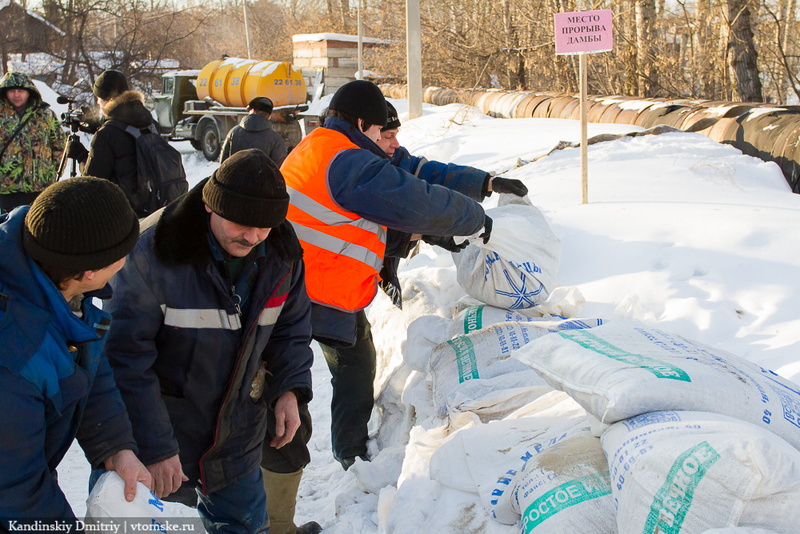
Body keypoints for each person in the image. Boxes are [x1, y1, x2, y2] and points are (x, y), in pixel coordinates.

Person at [279, 80, 490, 472]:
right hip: (316, 289)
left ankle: (334, 451)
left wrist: (483, 183)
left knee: (338, 365)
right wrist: (475, 219)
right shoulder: (348, 162)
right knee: (335, 371)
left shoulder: (329, 145)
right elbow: (415, 202)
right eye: (386, 134)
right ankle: (343, 456)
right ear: (363, 125)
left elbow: (410, 171)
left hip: (300, 282)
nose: (393, 144)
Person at [103, 149, 317, 534]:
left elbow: (291, 330)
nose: (252, 237)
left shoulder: (283, 254)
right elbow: (123, 360)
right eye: (240, 223)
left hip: (236, 439)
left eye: (264, 226)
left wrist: (290, 389)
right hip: (155, 433)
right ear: (209, 205)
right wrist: (153, 446)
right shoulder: (152, 252)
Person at [0, 177, 151, 526]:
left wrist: (116, 446)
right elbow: (16, 492)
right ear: (89, 272)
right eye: (122, 254)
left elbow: (85, 367)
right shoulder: (15, 352)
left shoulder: (53, 274)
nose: (127, 260)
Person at [376, 100, 529, 306]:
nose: (396, 143)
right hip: (340, 283)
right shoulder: (362, 173)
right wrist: (427, 232)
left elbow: (435, 174)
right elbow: (369, 231)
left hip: (368, 275)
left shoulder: (396, 159)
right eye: (388, 136)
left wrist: (488, 183)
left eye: (396, 134)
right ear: (368, 132)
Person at [69, 69, 157, 216]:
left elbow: (93, 179)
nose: (97, 102)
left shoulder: (107, 134)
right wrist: (100, 126)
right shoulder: (149, 122)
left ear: (106, 99)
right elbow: (125, 142)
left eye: (98, 98)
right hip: (151, 204)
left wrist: (80, 155)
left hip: (120, 212)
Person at [0, 71, 65, 213]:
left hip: (40, 187)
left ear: (29, 92)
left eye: (20, 91)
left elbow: (60, 146)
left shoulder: (45, 114)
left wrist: (51, 172)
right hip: (6, 189)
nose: (16, 95)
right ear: (5, 92)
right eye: (12, 91)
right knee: (8, 232)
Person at [220, 96, 288, 166]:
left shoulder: (233, 133)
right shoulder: (276, 139)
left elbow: (223, 165)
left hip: (234, 177)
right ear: (269, 116)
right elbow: (280, 168)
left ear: (253, 111)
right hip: (263, 177)